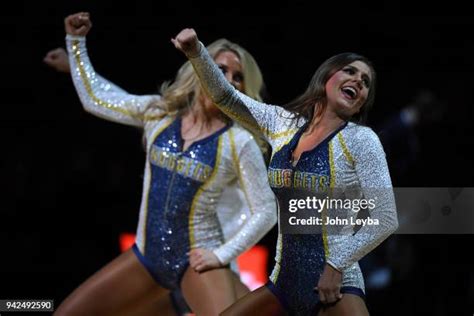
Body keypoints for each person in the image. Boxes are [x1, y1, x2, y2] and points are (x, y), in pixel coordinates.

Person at [54, 12, 277, 316]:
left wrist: (221, 254)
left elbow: (266, 210)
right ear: (201, 69)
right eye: (220, 69)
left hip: (197, 263)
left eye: (238, 77)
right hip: (147, 257)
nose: (228, 80)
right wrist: (76, 42)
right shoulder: (158, 115)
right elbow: (98, 98)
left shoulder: (240, 142)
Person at [173, 28, 399, 315]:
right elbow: (226, 97)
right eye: (350, 71)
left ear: (362, 102)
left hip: (335, 286)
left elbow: (386, 217)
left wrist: (336, 265)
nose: (358, 80)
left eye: (365, 82)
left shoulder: (362, 140)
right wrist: (196, 51)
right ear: (326, 77)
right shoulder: (282, 123)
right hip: (283, 284)